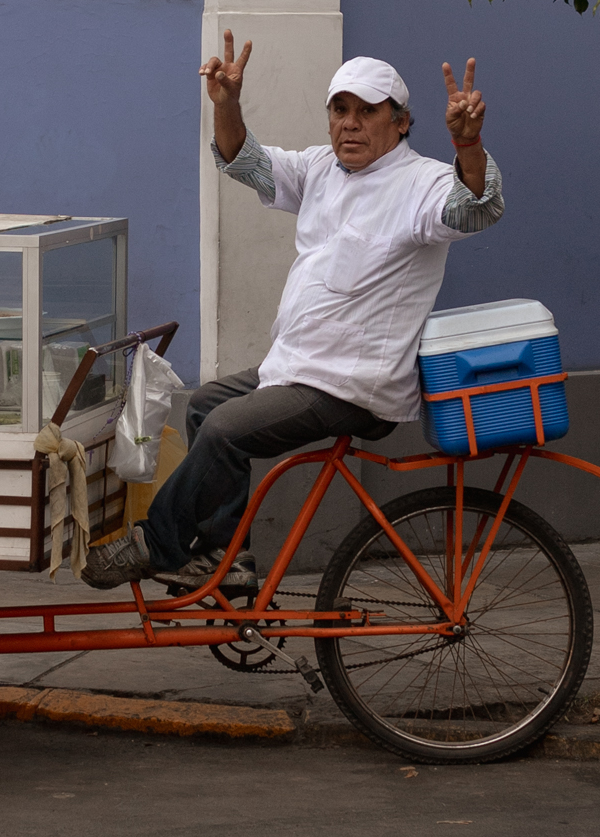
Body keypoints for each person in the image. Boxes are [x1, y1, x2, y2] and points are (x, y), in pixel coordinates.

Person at [82, 33, 501, 593]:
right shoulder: (322, 169)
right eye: (340, 109)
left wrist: (468, 145)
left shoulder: (420, 182)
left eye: (367, 111)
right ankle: (224, 559)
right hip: (299, 366)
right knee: (206, 405)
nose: (350, 124)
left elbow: (475, 208)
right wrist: (226, 104)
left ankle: (156, 544)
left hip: (353, 383)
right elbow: (244, 161)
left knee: (228, 429)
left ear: (400, 123)